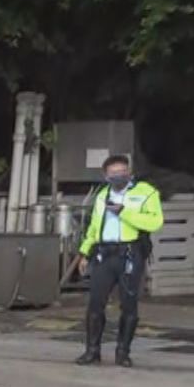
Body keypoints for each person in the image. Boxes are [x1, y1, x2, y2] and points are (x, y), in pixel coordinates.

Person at [71, 154, 163, 367]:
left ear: (129, 172)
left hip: (130, 253)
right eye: (113, 174)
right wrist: (85, 253)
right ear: (106, 176)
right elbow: (94, 229)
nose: (119, 176)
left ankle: (123, 352)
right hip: (105, 253)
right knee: (95, 302)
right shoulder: (102, 195)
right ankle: (92, 351)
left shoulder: (146, 193)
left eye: (123, 172)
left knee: (129, 305)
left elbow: (155, 222)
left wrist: (124, 212)